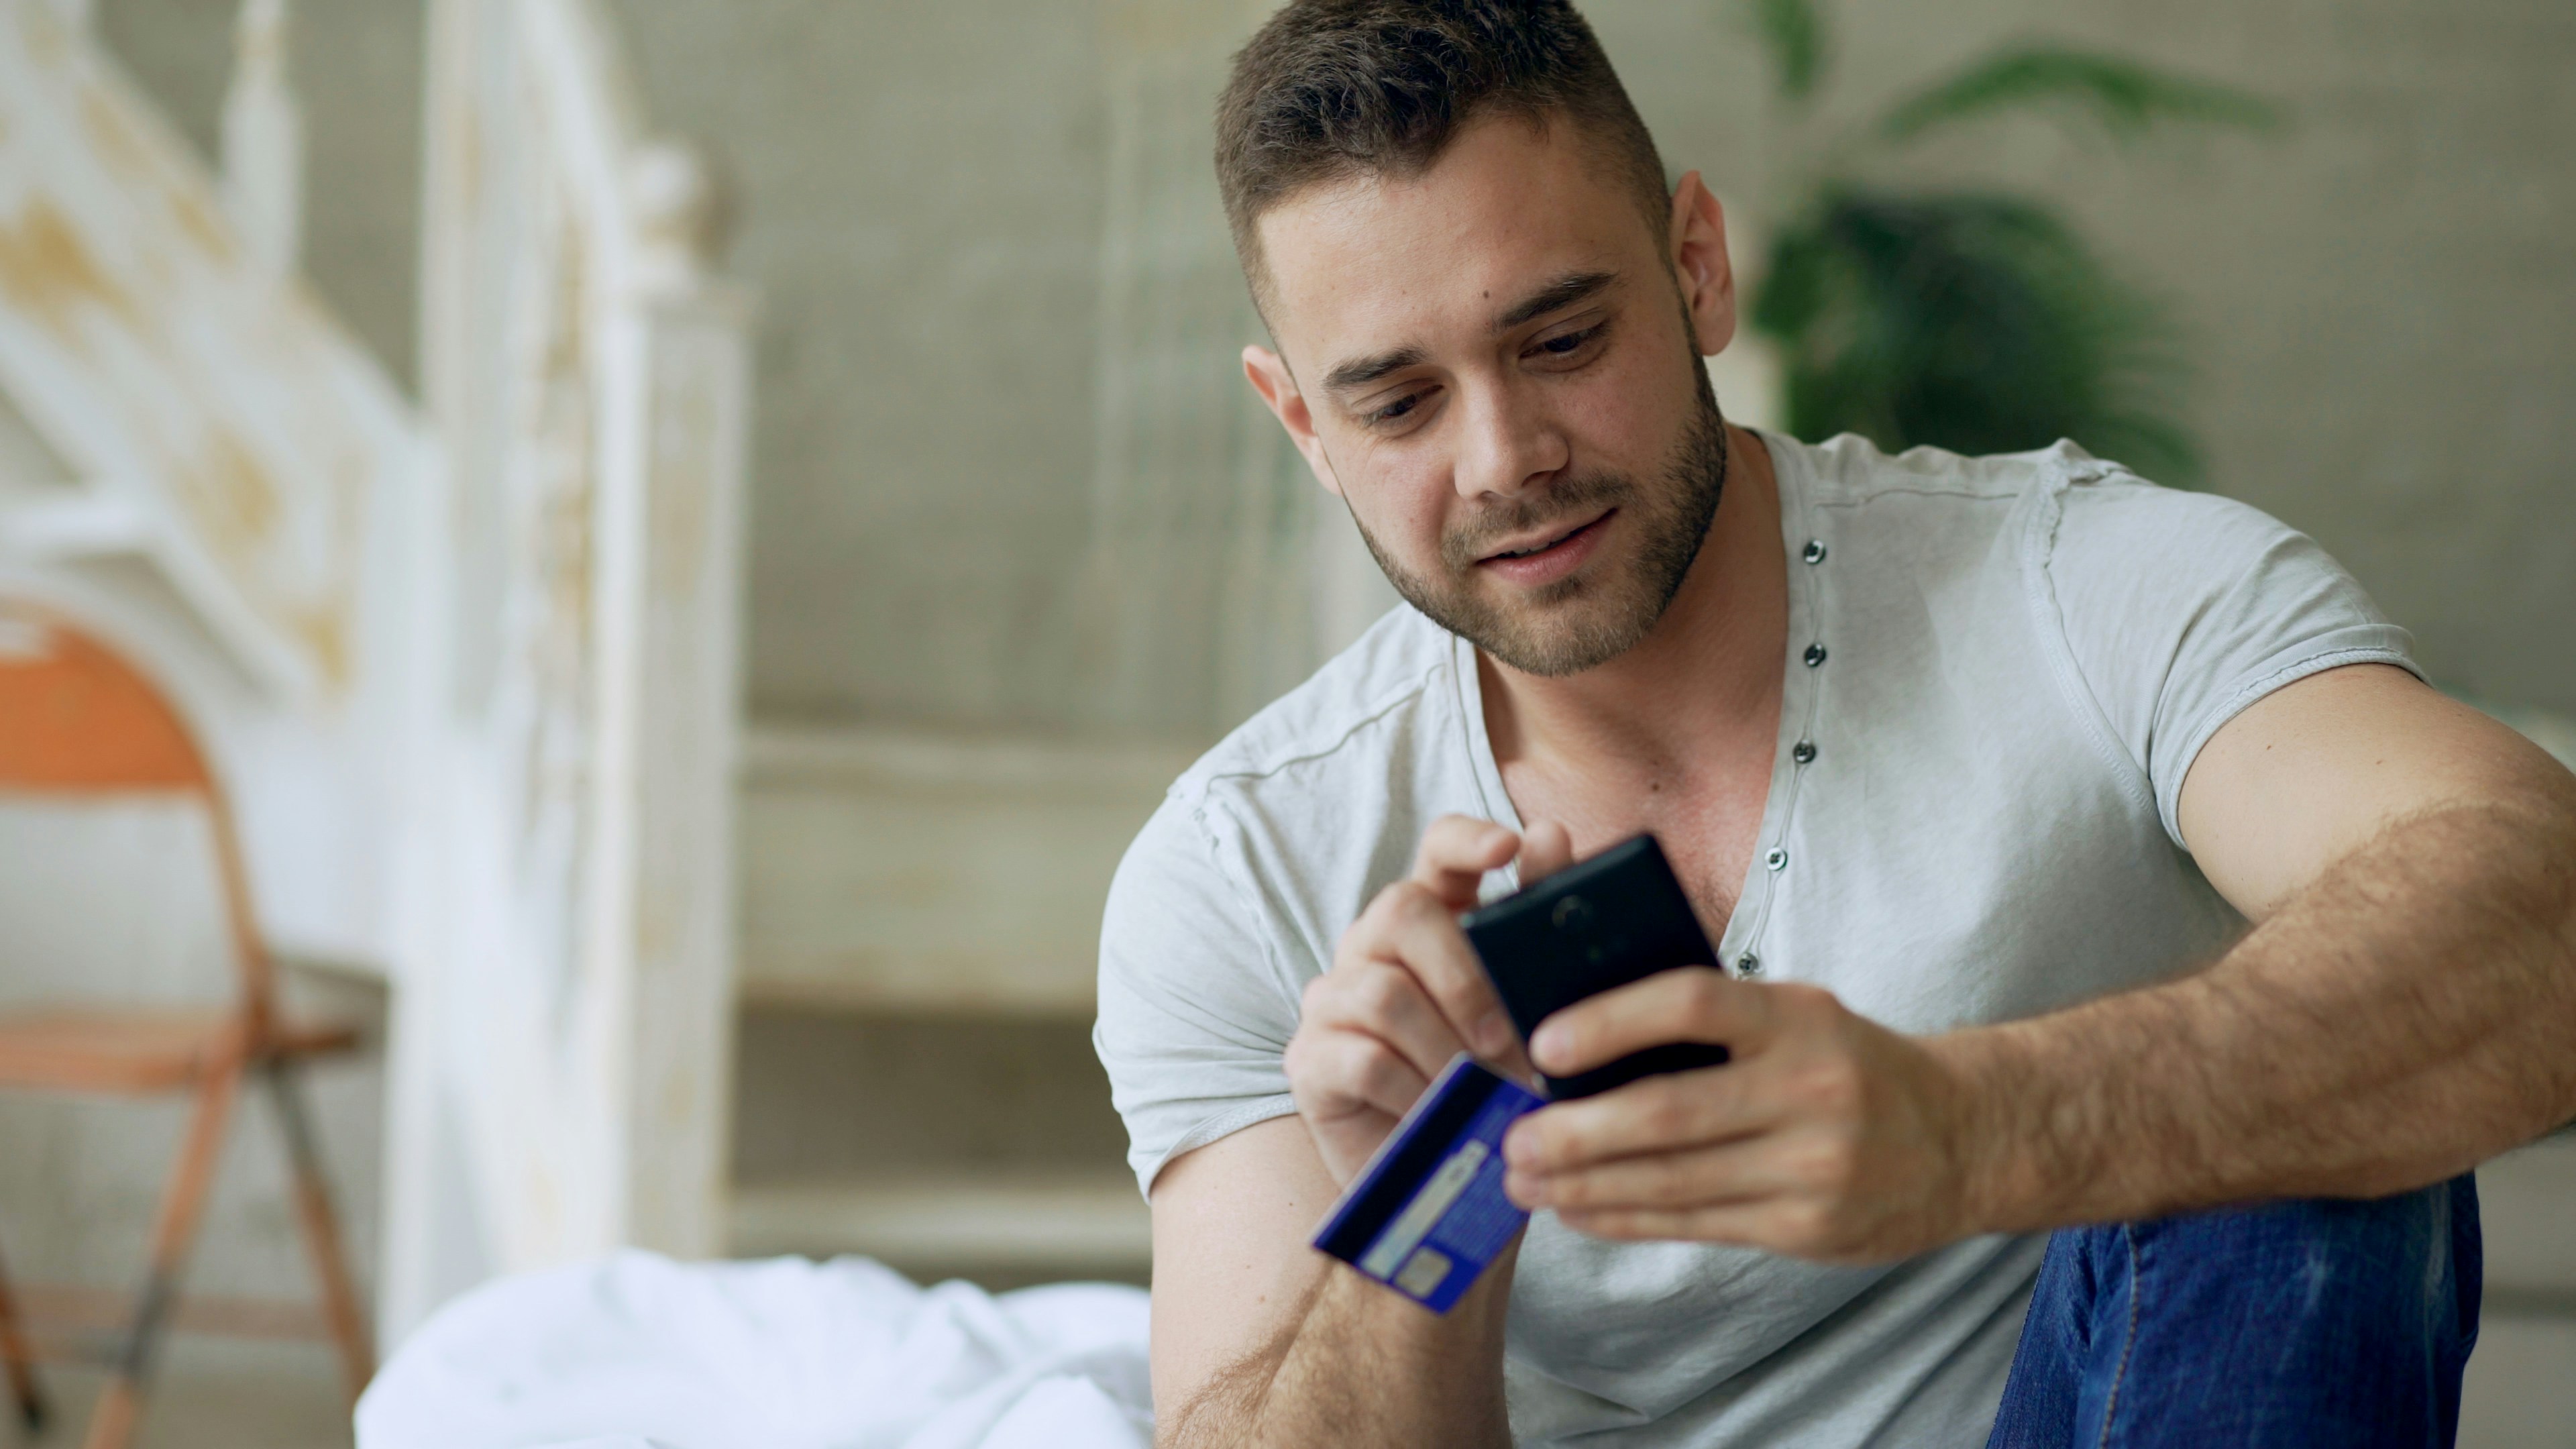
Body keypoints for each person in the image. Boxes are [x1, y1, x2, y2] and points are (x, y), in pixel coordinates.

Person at [1090, 2, 2576, 1444]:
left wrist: (1970, 1130)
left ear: (1697, 264)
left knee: (2313, 1097)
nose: (1504, 460)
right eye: (1400, 406)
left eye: (1558, 342)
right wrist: (1435, 1204)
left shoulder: (2082, 588)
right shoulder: (1244, 869)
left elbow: (2537, 902)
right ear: (1304, 428)